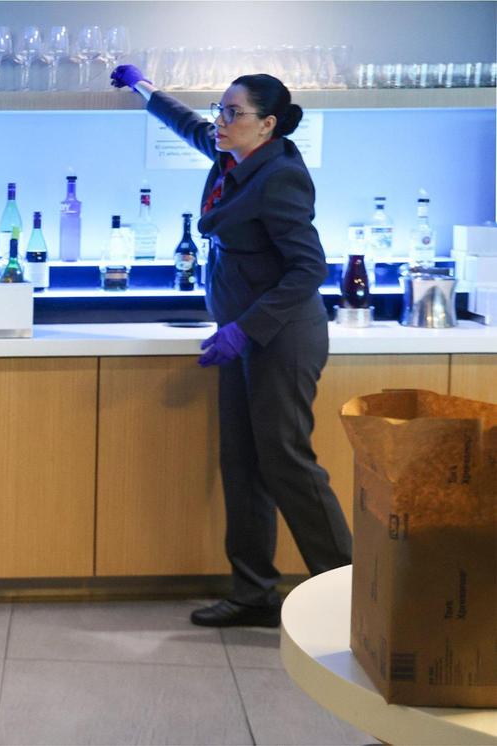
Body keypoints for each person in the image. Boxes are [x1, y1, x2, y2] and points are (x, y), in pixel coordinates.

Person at [111, 66, 352, 628]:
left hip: (282, 338)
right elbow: (188, 125)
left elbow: (307, 269)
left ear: (266, 124)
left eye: (232, 113)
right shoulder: (232, 154)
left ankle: (351, 596)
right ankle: (254, 592)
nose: (219, 121)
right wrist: (144, 89)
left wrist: (245, 329)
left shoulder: (280, 177)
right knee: (242, 464)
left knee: (287, 463)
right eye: (220, 109)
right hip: (240, 335)